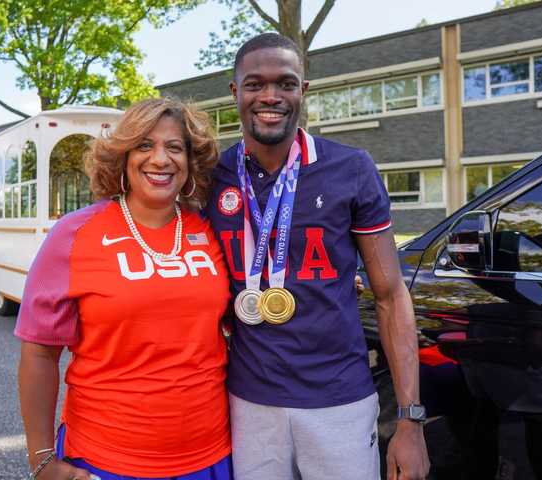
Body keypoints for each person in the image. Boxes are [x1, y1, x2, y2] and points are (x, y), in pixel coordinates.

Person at [206, 33, 430, 480]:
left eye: (285, 83)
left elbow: (389, 295)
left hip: (340, 401)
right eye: (254, 84)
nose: (270, 96)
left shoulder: (351, 168)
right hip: (248, 403)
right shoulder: (211, 175)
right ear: (235, 92)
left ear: (303, 90)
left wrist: (410, 420)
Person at [15, 98, 233, 480]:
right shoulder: (75, 233)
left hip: (211, 456)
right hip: (105, 460)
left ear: (191, 159)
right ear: (123, 156)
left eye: (175, 147)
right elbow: (38, 352)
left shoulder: (209, 227)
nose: (160, 159)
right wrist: (42, 459)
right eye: (145, 145)